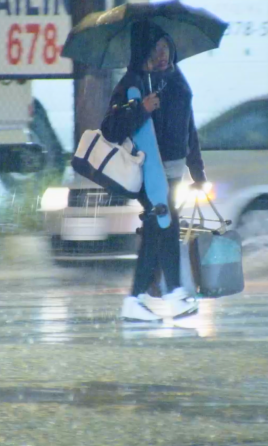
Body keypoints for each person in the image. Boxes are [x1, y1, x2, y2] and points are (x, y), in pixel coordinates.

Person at [101, 21, 207, 322]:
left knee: (154, 233)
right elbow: (110, 129)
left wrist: (197, 170)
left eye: (166, 47)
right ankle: (174, 294)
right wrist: (141, 109)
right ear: (142, 51)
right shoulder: (131, 84)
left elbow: (190, 127)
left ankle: (135, 301)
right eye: (155, 48)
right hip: (148, 173)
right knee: (166, 225)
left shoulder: (176, 80)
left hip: (173, 173)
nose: (162, 54)